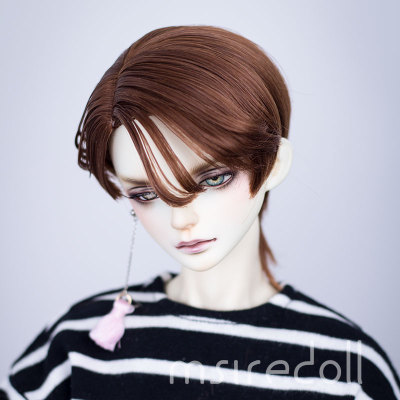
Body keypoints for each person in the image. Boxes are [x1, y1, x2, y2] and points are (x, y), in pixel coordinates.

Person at [1, 24, 399, 400]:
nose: (180, 219)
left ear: (274, 164)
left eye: (212, 179)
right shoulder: (78, 341)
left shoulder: (347, 367)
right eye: (146, 193)